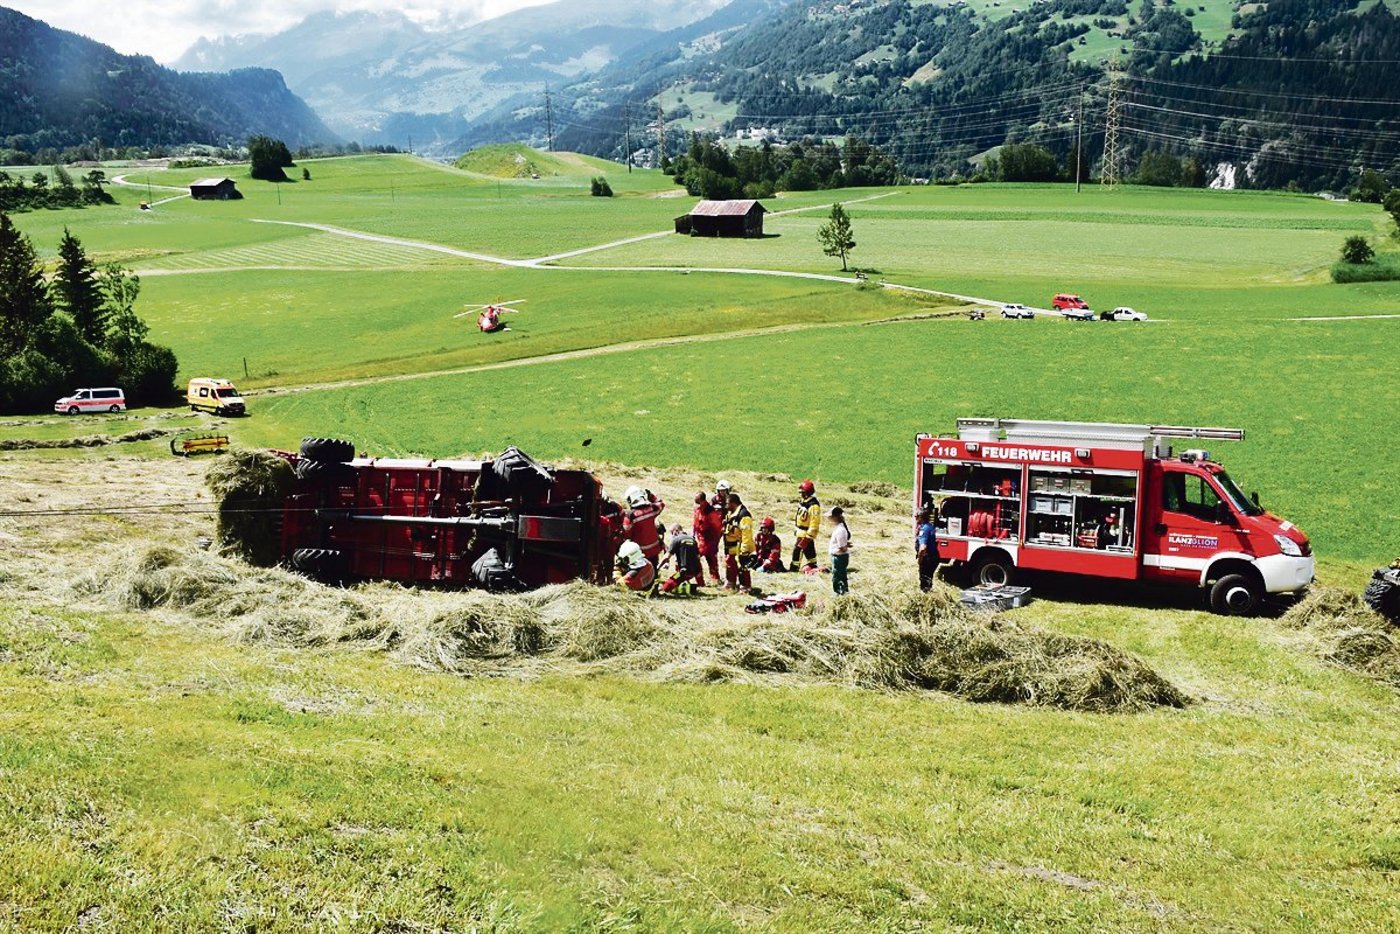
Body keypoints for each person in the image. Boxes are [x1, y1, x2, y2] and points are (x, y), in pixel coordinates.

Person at [620, 485, 665, 564]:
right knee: (653, 572)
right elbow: (661, 503)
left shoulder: (631, 516)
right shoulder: (652, 509)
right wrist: (651, 496)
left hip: (639, 553)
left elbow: (625, 533)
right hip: (655, 550)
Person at [722, 491, 755, 591]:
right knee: (730, 563)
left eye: (727, 503)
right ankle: (730, 583)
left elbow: (747, 534)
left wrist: (744, 550)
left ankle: (745, 587)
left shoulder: (744, 515)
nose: (726, 506)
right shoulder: (730, 513)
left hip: (740, 546)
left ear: (733, 503)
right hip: (731, 546)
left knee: (742, 566)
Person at [659, 524, 703, 595]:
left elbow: (667, 557)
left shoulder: (676, 540)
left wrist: (658, 567)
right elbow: (698, 557)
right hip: (695, 571)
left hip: (683, 572)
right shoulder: (693, 540)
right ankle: (697, 586)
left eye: (672, 533)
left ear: (676, 530)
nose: (672, 535)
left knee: (666, 587)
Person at [791, 479, 822, 574]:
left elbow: (814, 523)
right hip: (801, 532)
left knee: (797, 550)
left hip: (805, 534)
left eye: (803, 493)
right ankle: (812, 565)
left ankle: (794, 569)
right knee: (809, 551)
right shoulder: (805, 502)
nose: (801, 495)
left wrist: (809, 537)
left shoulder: (813, 506)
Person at [692, 491, 723, 586]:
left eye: (698, 502)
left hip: (710, 540)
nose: (697, 504)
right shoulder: (697, 510)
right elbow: (695, 523)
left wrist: (715, 541)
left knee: (711, 560)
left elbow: (718, 527)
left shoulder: (711, 511)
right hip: (700, 539)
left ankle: (715, 580)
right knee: (695, 559)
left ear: (703, 500)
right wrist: (693, 534)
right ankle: (700, 581)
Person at [915, 505, 940, 592]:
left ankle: (926, 597)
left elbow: (923, 548)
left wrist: (920, 559)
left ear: (921, 517)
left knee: (924, 581)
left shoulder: (924, 529)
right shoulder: (930, 526)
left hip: (928, 558)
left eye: (917, 516)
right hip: (934, 557)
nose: (915, 518)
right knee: (929, 579)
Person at [827, 506, 851, 595]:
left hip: (839, 557)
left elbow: (842, 548)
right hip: (840, 556)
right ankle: (844, 592)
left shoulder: (840, 530)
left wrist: (844, 546)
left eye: (831, 516)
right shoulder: (840, 528)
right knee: (841, 575)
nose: (829, 518)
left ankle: (839, 592)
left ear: (835, 517)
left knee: (838, 576)